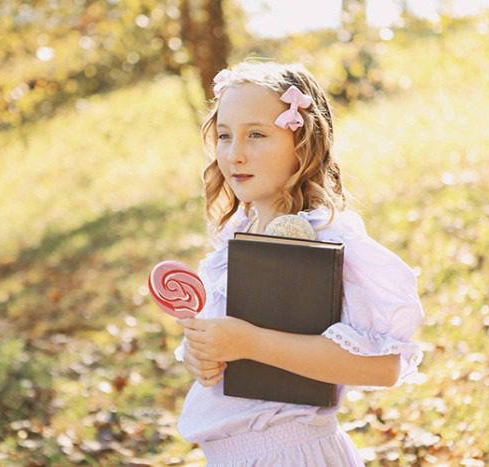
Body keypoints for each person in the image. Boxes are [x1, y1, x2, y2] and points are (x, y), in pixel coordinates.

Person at [173, 60, 424, 466]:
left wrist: (249, 341)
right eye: (224, 135)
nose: (235, 154)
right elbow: (226, 353)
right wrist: (201, 354)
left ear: (303, 143)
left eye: (256, 135)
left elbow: (383, 368)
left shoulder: (327, 236)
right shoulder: (237, 239)